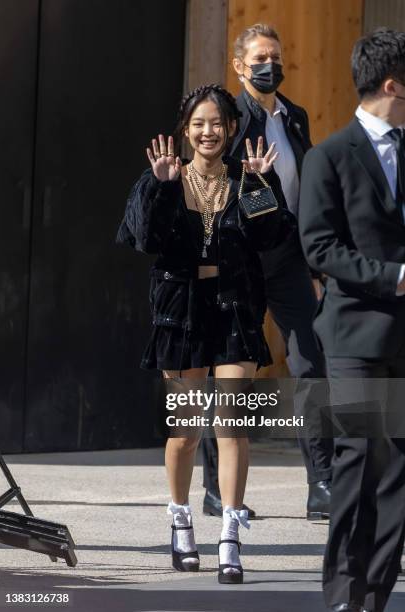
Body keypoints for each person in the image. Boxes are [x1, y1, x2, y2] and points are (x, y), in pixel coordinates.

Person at [117, 84, 287, 583]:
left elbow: (272, 238)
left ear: (232, 129)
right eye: (199, 124)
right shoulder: (163, 177)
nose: (208, 132)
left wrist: (261, 185)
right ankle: (180, 519)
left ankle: (231, 534)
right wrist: (161, 185)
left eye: (217, 123)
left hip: (235, 308)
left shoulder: (248, 179)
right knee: (187, 432)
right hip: (182, 312)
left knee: (231, 424)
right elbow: (145, 240)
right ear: (185, 130)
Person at [202, 23, 333, 522]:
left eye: (275, 56)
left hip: (292, 259)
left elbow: (308, 185)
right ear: (239, 66)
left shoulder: (295, 116)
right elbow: (224, 183)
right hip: (243, 260)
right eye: (260, 57)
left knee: (309, 362)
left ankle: (321, 483)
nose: (269, 65)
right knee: (235, 372)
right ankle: (216, 488)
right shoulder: (228, 119)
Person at [299, 28, 405, 612]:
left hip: (404, 337)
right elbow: (319, 247)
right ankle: (343, 595)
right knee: (360, 460)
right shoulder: (330, 155)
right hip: (355, 334)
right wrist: (394, 276)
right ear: (392, 84)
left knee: (400, 474)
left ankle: (375, 594)